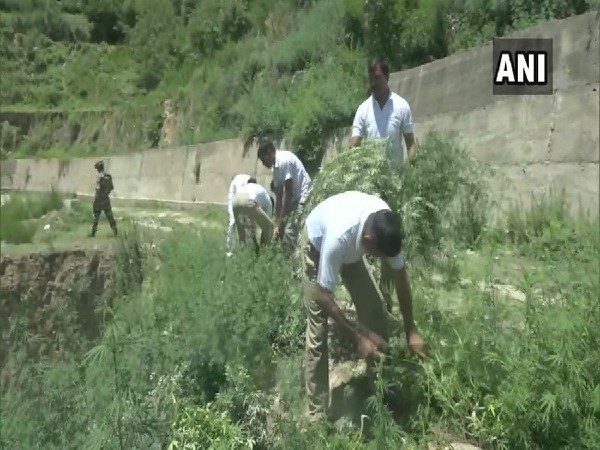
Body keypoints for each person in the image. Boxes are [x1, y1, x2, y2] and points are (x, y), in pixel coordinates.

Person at [300, 191, 426, 421]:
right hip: (317, 245)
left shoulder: (385, 226)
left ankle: (376, 386)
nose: (381, 260)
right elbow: (324, 297)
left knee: (375, 309)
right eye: (378, 256)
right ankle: (316, 413)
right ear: (368, 242)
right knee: (318, 333)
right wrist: (358, 338)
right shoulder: (338, 239)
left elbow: (401, 278)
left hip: (351, 250)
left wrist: (411, 330)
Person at [350, 57, 417, 314]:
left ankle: (388, 295)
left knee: (392, 241)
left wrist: (409, 170)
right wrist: (351, 160)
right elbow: (354, 142)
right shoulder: (363, 109)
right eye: (370, 78)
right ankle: (380, 298)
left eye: (377, 78)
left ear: (387, 77)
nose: (373, 83)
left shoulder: (401, 106)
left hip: (395, 185)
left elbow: (411, 143)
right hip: (371, 187)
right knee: (373, 240)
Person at [257, 140, 312, 253]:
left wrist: (281, 222)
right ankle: (284, 256)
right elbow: (279, 197)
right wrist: (277, 222)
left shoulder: (283, 160)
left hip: (303, 196)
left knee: (289, 231)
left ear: (269, 153)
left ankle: (291, 263)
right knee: (282, 227)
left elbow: (288, 193)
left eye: (263, 160)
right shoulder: (276, 168)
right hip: (294, 199)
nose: (263, 163)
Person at [231, 180, 275, 253]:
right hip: (248, 200)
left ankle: (243, 257)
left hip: (235, 200)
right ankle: (264, 253)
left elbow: (252, 226)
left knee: (243, 236)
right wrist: (262, 244)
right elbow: (266, 229)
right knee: (269, 226)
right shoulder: (269, 204)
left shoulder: (260, 194)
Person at [226, 173, 252, 257]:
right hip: (238, 199)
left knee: (240, 222)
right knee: (235, 222)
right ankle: (231, 249)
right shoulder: (238, 181)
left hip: (244, 198)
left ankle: (243, 248)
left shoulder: (238, 181)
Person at [89, 160, 118, 237]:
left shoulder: (99, 177)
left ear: (98, 168)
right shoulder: (108, 176)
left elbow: (98, 189)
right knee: (110, 216)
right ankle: (115, 232)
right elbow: (111, 188)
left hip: (99, 200)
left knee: (96, 217)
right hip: (106, 199)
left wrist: (96, 199)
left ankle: (93, 233)